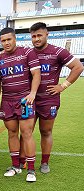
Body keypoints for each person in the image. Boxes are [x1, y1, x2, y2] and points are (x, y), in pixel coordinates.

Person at [29, 22, 84, 173]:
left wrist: (63, 86)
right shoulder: (28, 53)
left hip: (49, 99)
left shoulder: (58, 51)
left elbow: (78, 67)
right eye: (33, 36)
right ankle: (24, 162)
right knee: (27, 132)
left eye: (39, 35)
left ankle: (45, 162)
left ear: (47, 34)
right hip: (30, 99)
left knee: (46, 131)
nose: (36, 39)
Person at [0, 27, 41, 182]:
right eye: (3, 40)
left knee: (27, 133)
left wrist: (32, 93)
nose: (6, 43)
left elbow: (36, 74)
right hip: (7, 101)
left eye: (9, 39)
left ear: (15, 39)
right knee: (12, 133)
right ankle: (15, 166)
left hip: (24, 100)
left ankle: (31, 170)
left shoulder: (27, 53)